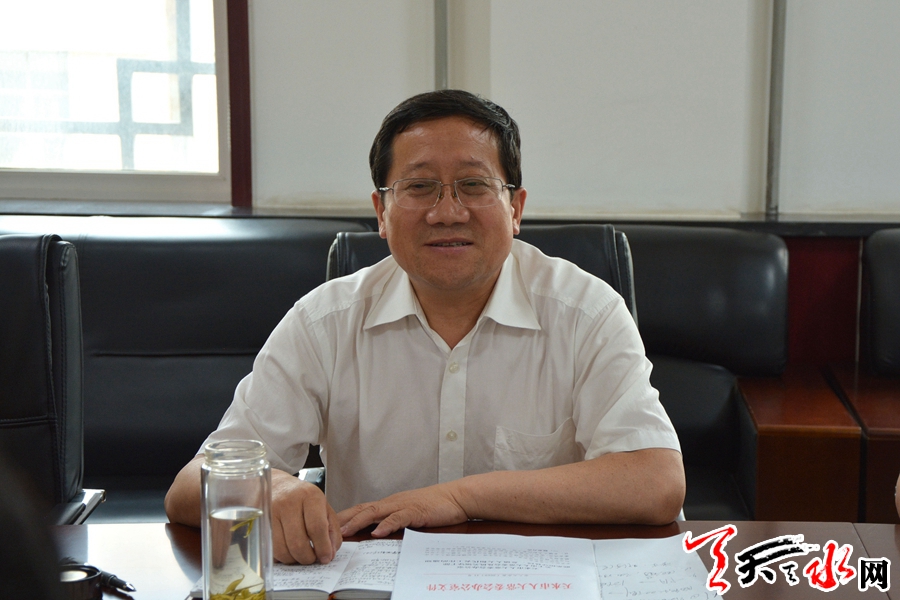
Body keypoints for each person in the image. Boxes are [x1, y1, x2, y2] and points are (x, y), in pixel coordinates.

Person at [165, 89, 685, 565]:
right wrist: (273, 489)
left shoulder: (587, 313)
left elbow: (655, 481)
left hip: (540, 581)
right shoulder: (324, 322)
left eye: (473, 185)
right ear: (382, 212)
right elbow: (190, 488)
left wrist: (459, 498)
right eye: (419, 187)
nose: (448, 212)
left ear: (516, 208)